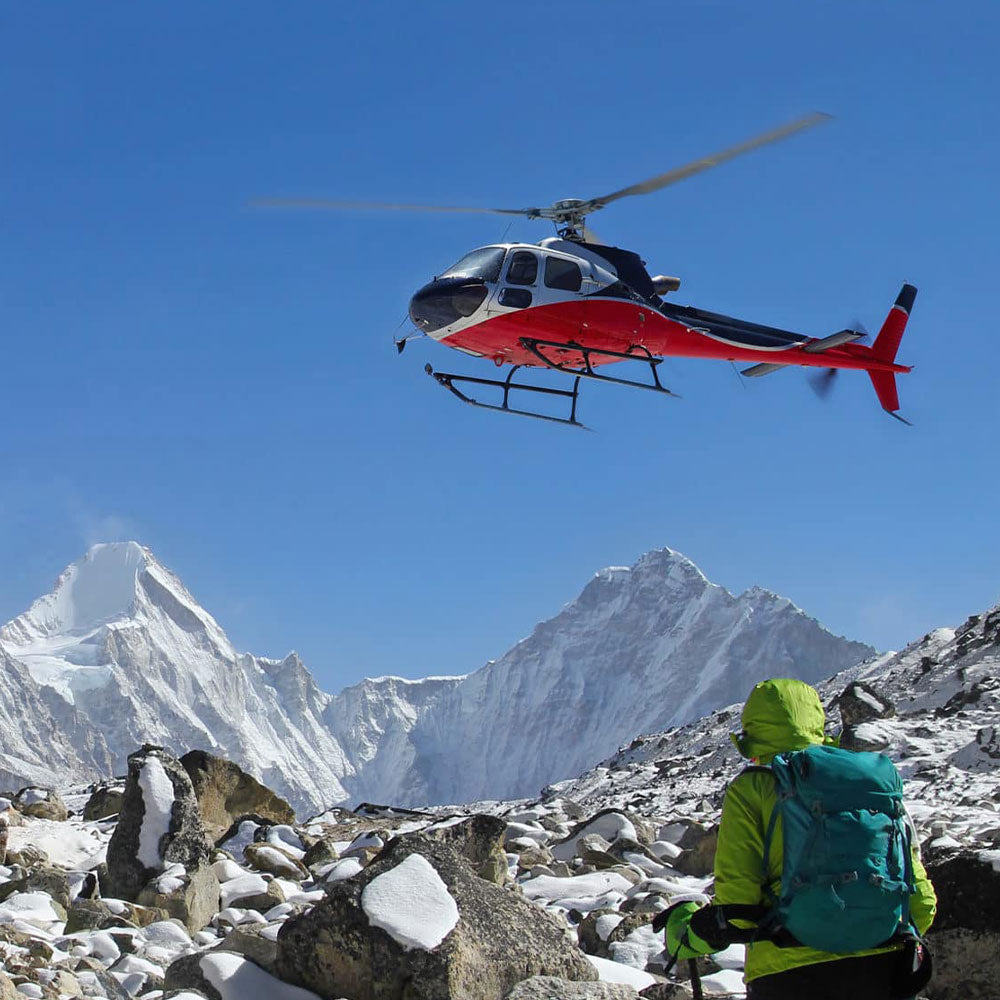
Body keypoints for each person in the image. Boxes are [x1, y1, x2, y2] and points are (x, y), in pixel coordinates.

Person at [665, 677, 937, 1000]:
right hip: (886, 971)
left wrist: (685, 932)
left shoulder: (752, 789)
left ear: (752, 738)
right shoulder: (869, 783)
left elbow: (736, 912)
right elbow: (922, 905)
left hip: (789, 976)